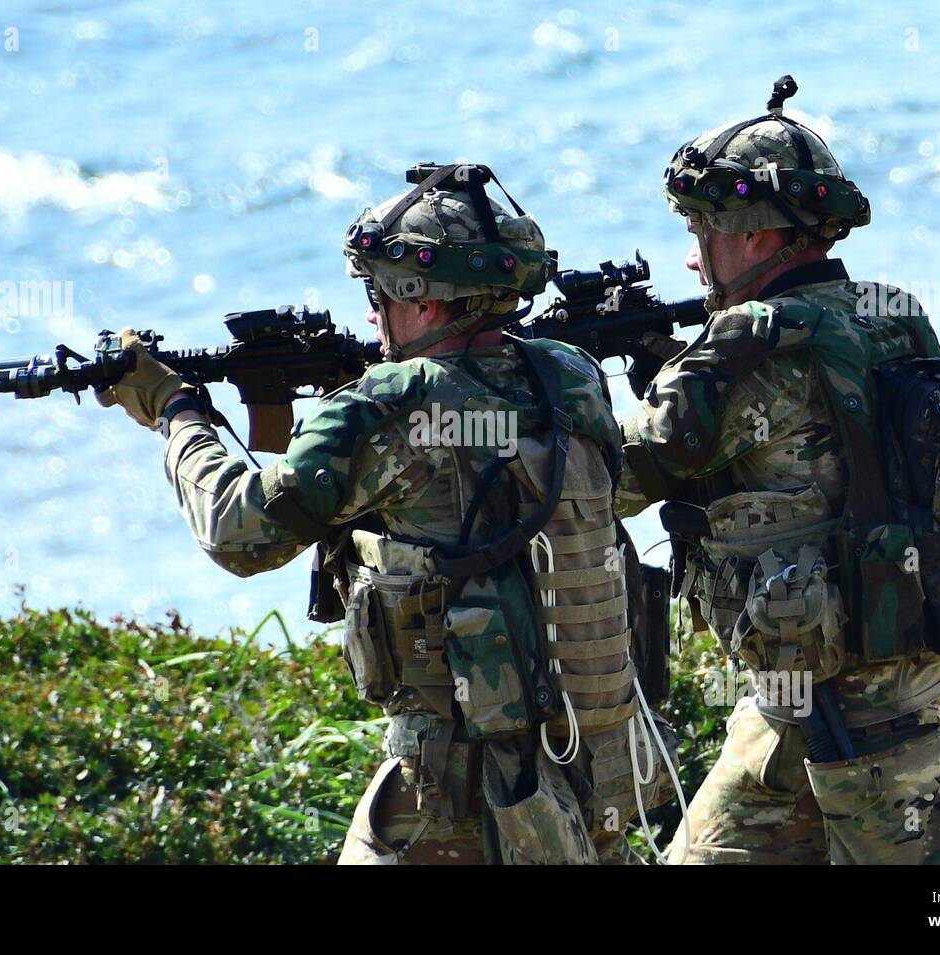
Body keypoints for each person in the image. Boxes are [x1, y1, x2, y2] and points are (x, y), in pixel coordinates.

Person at [98, 162, 676, 864]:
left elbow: (236, 529)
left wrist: (177, 412)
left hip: (451, 786)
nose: (372, 316)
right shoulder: (570, 375)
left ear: (425, 302)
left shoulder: (386, 409)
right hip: (595, 755)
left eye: (379, 296)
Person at [615, 77, 940, 864]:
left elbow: (615, 477)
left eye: (704, 226)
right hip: (905, 691)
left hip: (858, 723)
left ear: (753, 235)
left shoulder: (745, 349)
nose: (692, 251)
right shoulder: (894, 311)